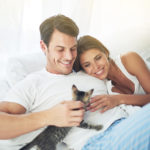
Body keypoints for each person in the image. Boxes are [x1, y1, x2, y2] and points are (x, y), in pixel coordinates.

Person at [0, 14, 86, 149]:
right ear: (43, 47)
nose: (69, 56)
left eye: (73, 48)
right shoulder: (33, 83)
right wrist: (49, 116)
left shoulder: (89, 69)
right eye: (60, 49)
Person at [74, 35, 150, 113]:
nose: (96, 67)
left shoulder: (129, 59)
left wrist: (119, 99)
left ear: (106, 52)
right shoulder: (104, 89)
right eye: (87, 65)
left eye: (98, 58)